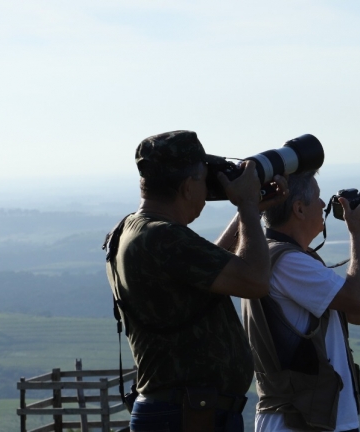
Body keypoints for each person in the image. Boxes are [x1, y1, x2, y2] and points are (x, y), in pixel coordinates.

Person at [104, 130, 287, 432]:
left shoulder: (137, 230)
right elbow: (255, 281)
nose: (208, 189)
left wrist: (251, 211)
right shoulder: (162, 236)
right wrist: (247, 208)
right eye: (204, 180)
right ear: (188, 187)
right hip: (186, 416)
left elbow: (210, 266)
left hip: (184, 412)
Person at [242, 170, 360, 432]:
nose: (325, 206)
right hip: (298, 420)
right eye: (319, 198)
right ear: (299, 209)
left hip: (317, 416)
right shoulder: (288, 262)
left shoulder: (288, 256)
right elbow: (358, 300)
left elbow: (359, 312)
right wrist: (357, 234)